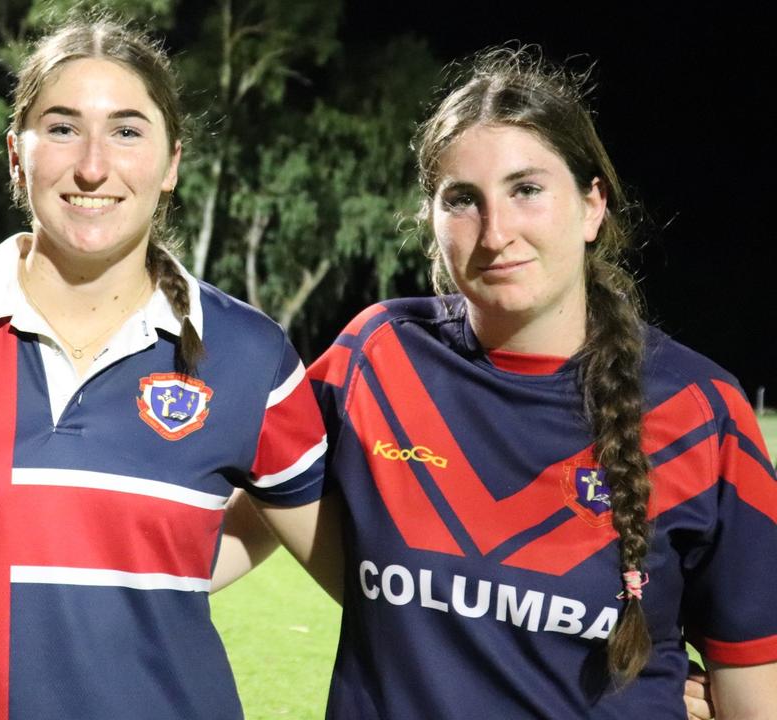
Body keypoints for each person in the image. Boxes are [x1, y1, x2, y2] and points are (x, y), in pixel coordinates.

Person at [0, 17, 329, 719]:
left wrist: (179, 567)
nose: (93, 165)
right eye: (61, 129)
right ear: (15, 154)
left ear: (172, 162)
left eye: (127, 131)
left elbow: (362, 573)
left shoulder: (248, 354)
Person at [255, 47, 777, 717]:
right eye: (463, 200)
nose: (496, 233)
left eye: (526, 190)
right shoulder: (377, 358)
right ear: (431, 221)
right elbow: (211, 520)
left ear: (592, 207)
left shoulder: (700, 413)